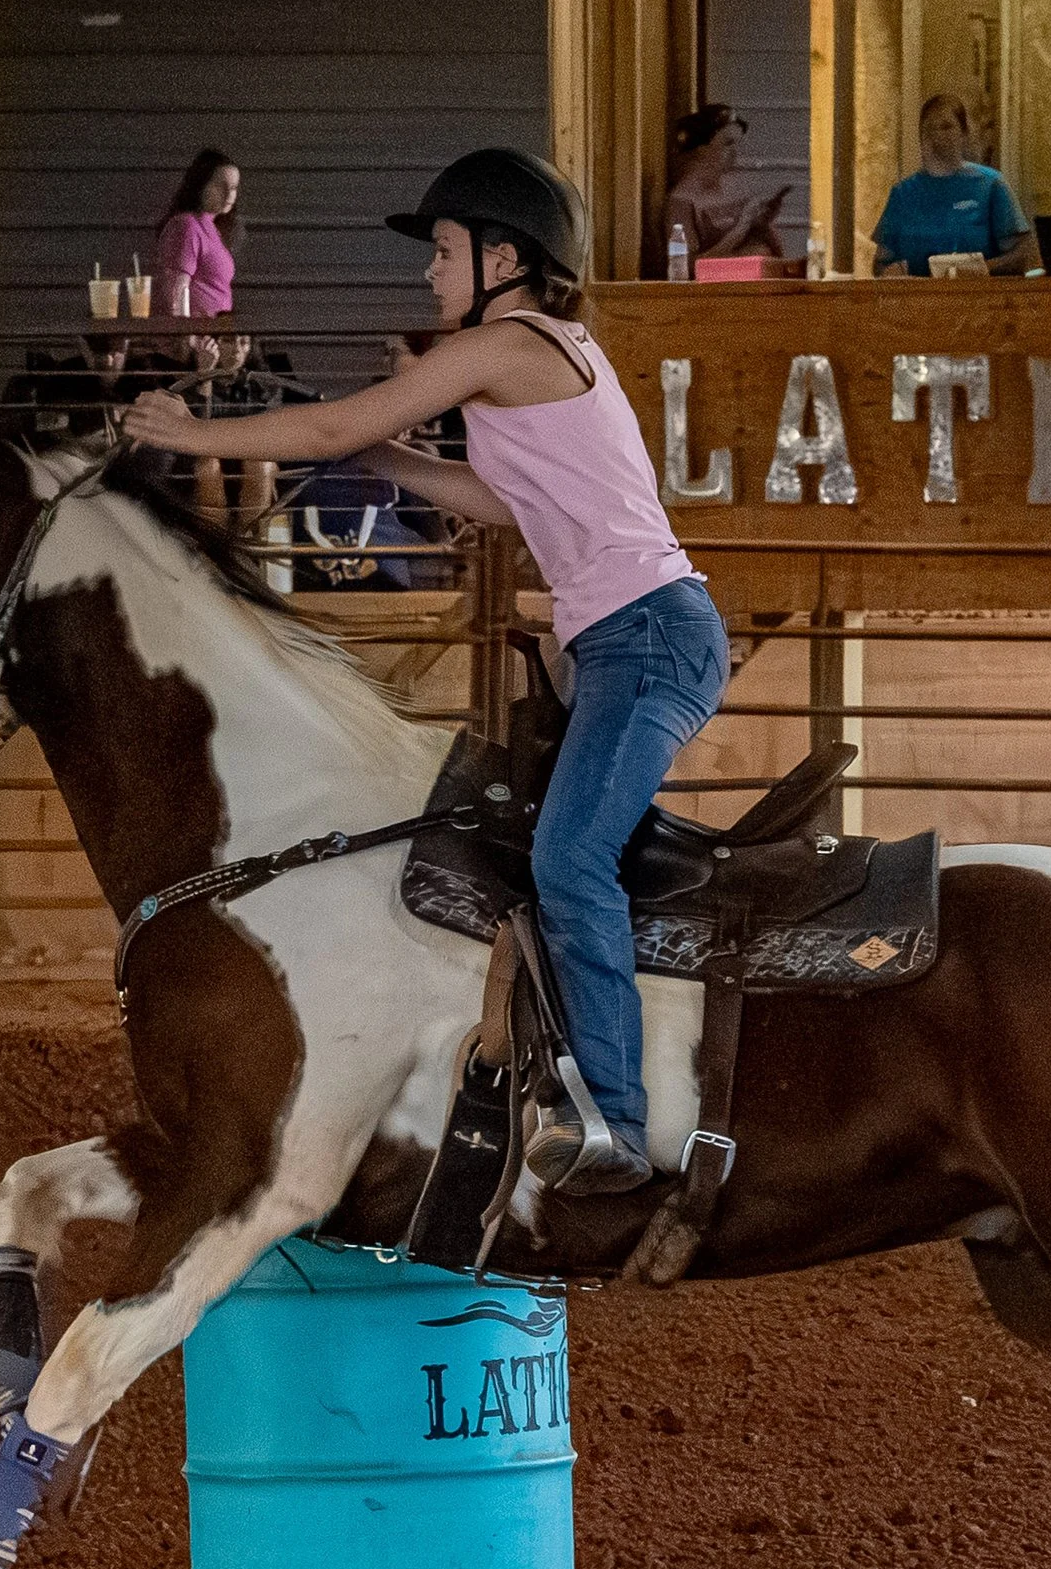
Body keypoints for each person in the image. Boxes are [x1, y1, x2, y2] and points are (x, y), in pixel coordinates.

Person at [124, 149, 726, 1196]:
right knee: (559, 850)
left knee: (571, 858)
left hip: (644, 637)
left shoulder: (506, 341)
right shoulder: (539, 352)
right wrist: (380, 457)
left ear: (504, 257)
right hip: (635, 634)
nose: (429, 271)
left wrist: (196, 429)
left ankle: (620, 1125)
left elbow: (335, 424)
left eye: (444, 251)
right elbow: (498, 500)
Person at [871, 94, 1034, 276]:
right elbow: (880, 264)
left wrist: (981, 270)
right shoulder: (902, 194)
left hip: (980, 298)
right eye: (930, 128)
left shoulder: (991, 185)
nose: (938, 135)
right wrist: (890, 272)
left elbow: (1021, 255)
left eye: (947, 127)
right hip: (918, 300)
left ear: (964, 133)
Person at [663, 103, 792, 263]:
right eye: (728, 143)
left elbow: (778, 253)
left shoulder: (734, 189)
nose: (736, 152)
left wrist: (762, 223)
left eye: (738, 144)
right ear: (702, 149)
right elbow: (687, 267)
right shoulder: (682, 201)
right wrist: (742, 228)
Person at [155, 149, 243, 320]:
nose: (228, 194)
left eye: (233, 187)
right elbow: (176, 293)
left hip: (215, 337)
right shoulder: (187, 226)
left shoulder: (213, 229)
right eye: (219, 185)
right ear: (200, 185)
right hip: (198, 339)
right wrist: (191, 339)